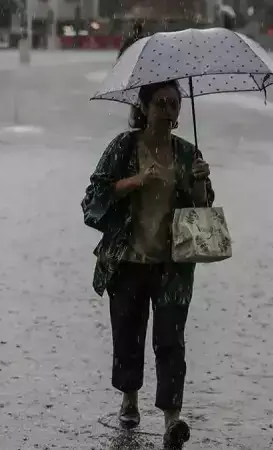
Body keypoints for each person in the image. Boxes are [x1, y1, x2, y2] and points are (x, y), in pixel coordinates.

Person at [81, 80, 214, 450]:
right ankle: (129, 398)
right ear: (144, 107)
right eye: (161, 104)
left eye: (174, 104)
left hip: (172, 264)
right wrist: (137, 181)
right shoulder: (124, 147)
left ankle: (172, 419)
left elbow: (202, 210)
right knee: (128, 333)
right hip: (127, 260)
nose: (169, 111)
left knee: (171, 340)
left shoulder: (188, 154)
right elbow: (94, 196)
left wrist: (201, 183)